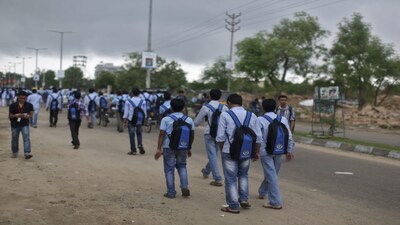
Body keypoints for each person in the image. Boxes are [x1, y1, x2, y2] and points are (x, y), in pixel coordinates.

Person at [216, 93, 262, 214]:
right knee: (243, 175)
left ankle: (233, 205)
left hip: (228, 151)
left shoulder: (225, 115)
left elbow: (220, 137)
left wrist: (222, 150)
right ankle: (244, 199)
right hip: (246, 151)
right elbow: (258, 137)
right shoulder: (252, 115)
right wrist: (256, 151)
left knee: (230, 179)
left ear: (228, 103)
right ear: (241, 103)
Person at [257, 98, 294, 210]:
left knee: (271, 174)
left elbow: (258, 137)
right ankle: (263, 191)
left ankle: (275, 202)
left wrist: (256, 151)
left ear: (263, 107)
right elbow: (289, 136)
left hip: (265, 151)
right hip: (279, 150)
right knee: (273, 173)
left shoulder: (260, 119)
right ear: (275, 107)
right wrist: (289, 150)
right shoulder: (282, 118)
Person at [154, 98, 195, 198]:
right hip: (183, 146)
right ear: (183, 108)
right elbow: (192, 135)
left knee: (169, 169)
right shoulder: (189, 120)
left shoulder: (166, 119)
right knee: (182, 166)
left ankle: (171, 192)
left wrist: (159, 148)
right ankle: (184, 186)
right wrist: (189, 147)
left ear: (171, 107)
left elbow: (161, 135)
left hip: (169, 147)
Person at [194, 89, 228, 187]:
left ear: (210, 96)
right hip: (221, 134)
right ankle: (206, 171)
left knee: (212, 155)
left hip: (209, 133)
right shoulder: (225, 108)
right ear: (220, 97)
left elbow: (196, 122)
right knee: (214, 154)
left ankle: (217, 178)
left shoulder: (206, 107)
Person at [9, 91, 34, 159]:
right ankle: (15, 152)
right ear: (18, 97)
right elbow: (10, 116)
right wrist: (15, 115)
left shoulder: (29, 105)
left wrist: (28, 116)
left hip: (24, 124)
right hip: (15, 124)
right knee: (14, 139)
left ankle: (27, 153)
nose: (23, 99)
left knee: (26, 138)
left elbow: (31, 114)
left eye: (24, 98)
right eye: (21, 98)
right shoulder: (13, 105)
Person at [123, 88, 147, 155]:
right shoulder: (143, 101)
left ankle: (133, 150)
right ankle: (140, 144)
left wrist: (125, 121)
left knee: (132, 135)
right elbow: (144, 112)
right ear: (139, 93)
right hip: (140, 119)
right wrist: (144, 120)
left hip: (131, 120)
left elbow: (126, 113)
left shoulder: (128, 101)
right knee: (139, 133)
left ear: (132, 93)